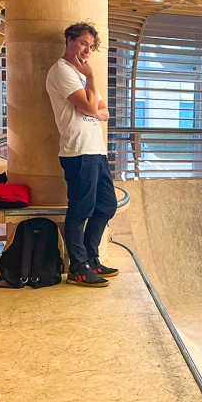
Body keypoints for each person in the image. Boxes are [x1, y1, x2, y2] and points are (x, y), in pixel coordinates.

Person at [46, 22, 118, 286]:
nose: (87, 50)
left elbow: (104, 113)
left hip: (96, 151)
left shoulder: (79, 75)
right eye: (83, 43)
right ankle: (78, 266)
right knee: (81, 209)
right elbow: (90, 108)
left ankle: (90, 259)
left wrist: (92, 107)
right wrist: (90, 78)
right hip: (77, 152)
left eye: (90, 46)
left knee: (107, 205)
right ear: (69, 40)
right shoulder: (62, 71)